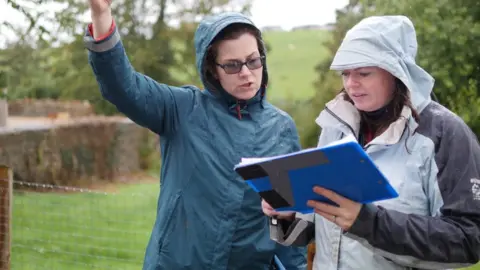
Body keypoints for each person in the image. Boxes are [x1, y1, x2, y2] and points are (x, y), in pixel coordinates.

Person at [83, 1, 308, 270]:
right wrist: (101, 13)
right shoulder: (182, 109)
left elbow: (290, 226)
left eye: (253, 61)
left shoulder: (281, 128)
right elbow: (123, 86)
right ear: (212, 68)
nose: (247, 73)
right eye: (233, 65)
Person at [263, 15, 480, 270]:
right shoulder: (336, 127)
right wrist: (289, 214)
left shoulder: (445, 134)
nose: (351, 84)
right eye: (346, 73)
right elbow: (324, 227)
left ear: (397, 71)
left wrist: (369, 223)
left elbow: (469, 239)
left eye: (364, 73)